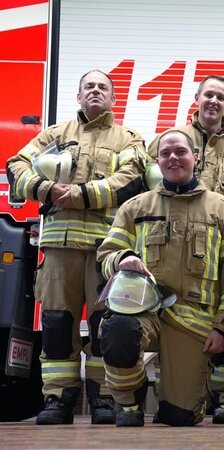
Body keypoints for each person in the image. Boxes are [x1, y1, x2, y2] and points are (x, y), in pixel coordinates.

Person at [7, 70, 147, 425]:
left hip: (105, 250)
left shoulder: (128, 138)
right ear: (79, 95)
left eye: (103, 87)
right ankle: (57, 399)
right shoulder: (55, 134)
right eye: (89, 86)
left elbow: (131, 181)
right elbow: (16, 166)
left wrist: (79, 195)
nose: (96, 91)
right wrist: (46, 189)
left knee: (104, 326)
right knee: (56, 326)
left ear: (114, 98)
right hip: (59, 249)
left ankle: (102, 398)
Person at [96, 130, 224, 427]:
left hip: (193, 320)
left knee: (180, 416)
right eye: (166, 154)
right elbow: (107, 254)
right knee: (118, 330)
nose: (173, 158)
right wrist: (124, 257)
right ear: (157, 161)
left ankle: (175, 402)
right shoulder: (135, 207)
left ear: (196, 157)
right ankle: (129, 403)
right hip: (144, 310)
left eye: (180, 151)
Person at [147, 74, 224, 424]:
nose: (214, 101)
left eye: (221, 97)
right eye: (208, 94)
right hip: (178, 249)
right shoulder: (170, 139)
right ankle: (182, 392)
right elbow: (147, 192)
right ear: (196, 98)